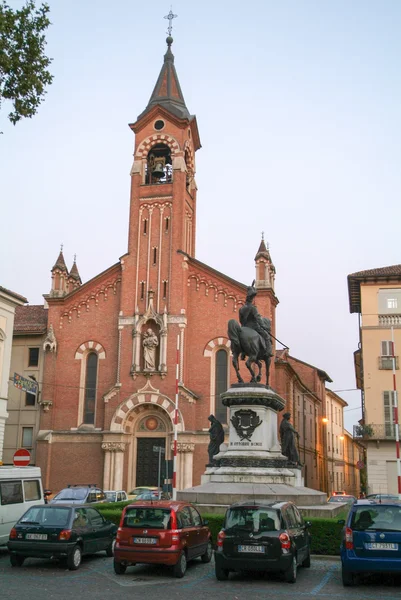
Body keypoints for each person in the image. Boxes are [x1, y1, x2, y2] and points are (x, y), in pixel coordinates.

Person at [239, 282, 271, 355]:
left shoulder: (241, 308)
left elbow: (240, 319)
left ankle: (243, 354)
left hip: (244, 327)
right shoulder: (253, 308)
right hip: (254, 327)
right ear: (252, 299)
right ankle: (268, 352)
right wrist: (264, 327)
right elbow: (258, 318)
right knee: (266, 336)